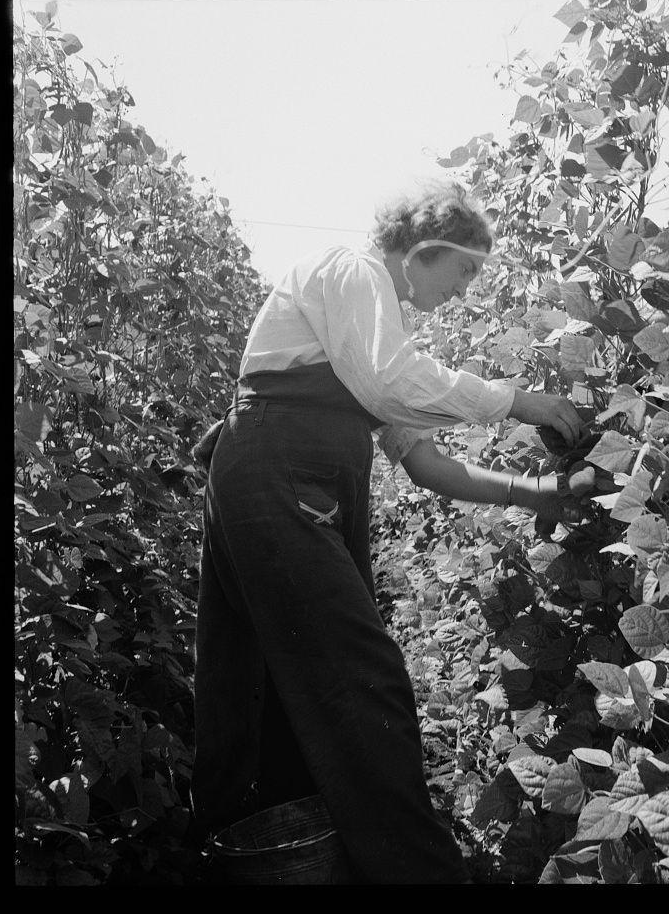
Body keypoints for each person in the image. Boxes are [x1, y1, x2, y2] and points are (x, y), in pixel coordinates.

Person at [190, 181, 585, 883]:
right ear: (424, 249)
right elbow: (391, 383)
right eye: (462, 272)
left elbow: (425, 462)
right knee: (360, 684)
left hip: (281, 479)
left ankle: (295, 863)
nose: (462, 293)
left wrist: (536, 492)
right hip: (278, 472)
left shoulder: (366, 334)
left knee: (280, 691)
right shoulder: (354, 273)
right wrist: (519, 401)